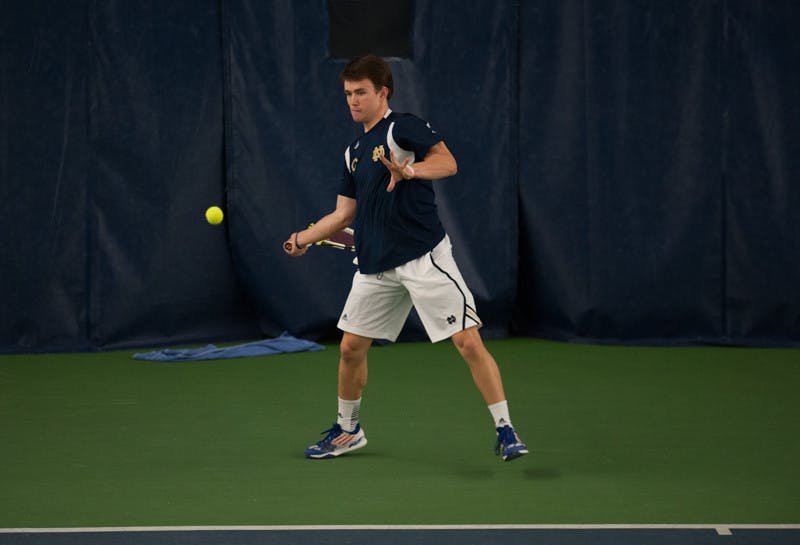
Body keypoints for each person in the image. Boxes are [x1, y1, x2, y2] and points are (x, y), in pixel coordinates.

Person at [284, 54, 528, 462]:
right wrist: (303, 237)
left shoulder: (402, 127)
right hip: (376, 264)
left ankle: (506, 431)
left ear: (383, 92)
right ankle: (348, 430)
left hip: (422, 257)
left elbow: (447, 163)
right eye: (347, 94)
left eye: (361, 92)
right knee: (350, 348)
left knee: (468, 341)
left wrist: (409, 172)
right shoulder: (354, 152)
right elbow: (344, 214)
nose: (353, 101)